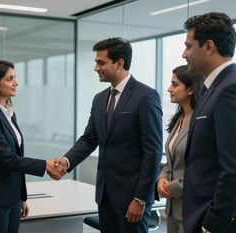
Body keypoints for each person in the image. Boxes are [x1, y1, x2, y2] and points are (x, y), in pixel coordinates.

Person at [54, 37, 163, 233]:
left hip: (132, 197)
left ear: (119, 63)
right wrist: (67, 161)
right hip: (105, 194)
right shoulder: (99, 99)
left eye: (101, 62)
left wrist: (140, 197)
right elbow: (89, 139)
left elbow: (153, 151)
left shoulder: (146, 96)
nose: (96, 68)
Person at [0, 59, 66, 233]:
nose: (16, 83)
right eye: (10, 79)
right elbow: (7, 159)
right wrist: (45, 165)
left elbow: (16, 158)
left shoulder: (8, 114)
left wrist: (21, 197)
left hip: (11, 198)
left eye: (15, 78)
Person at [181, 12, 236, 233]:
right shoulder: (211, 89)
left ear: (208, 47)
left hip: (215, 223)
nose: (183, 54)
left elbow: (235, 170)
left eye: (188, 46)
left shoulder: (231, 89)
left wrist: (211, 225)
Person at [156, 65, 202, 233]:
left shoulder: (201, 120)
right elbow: (171, 161)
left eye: (175, 85)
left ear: (190, 89)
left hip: (191, 207)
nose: (169, 89)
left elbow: (201, 168)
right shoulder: (179, 119)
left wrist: (172, 187)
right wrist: (161, 179)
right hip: (172, 208)